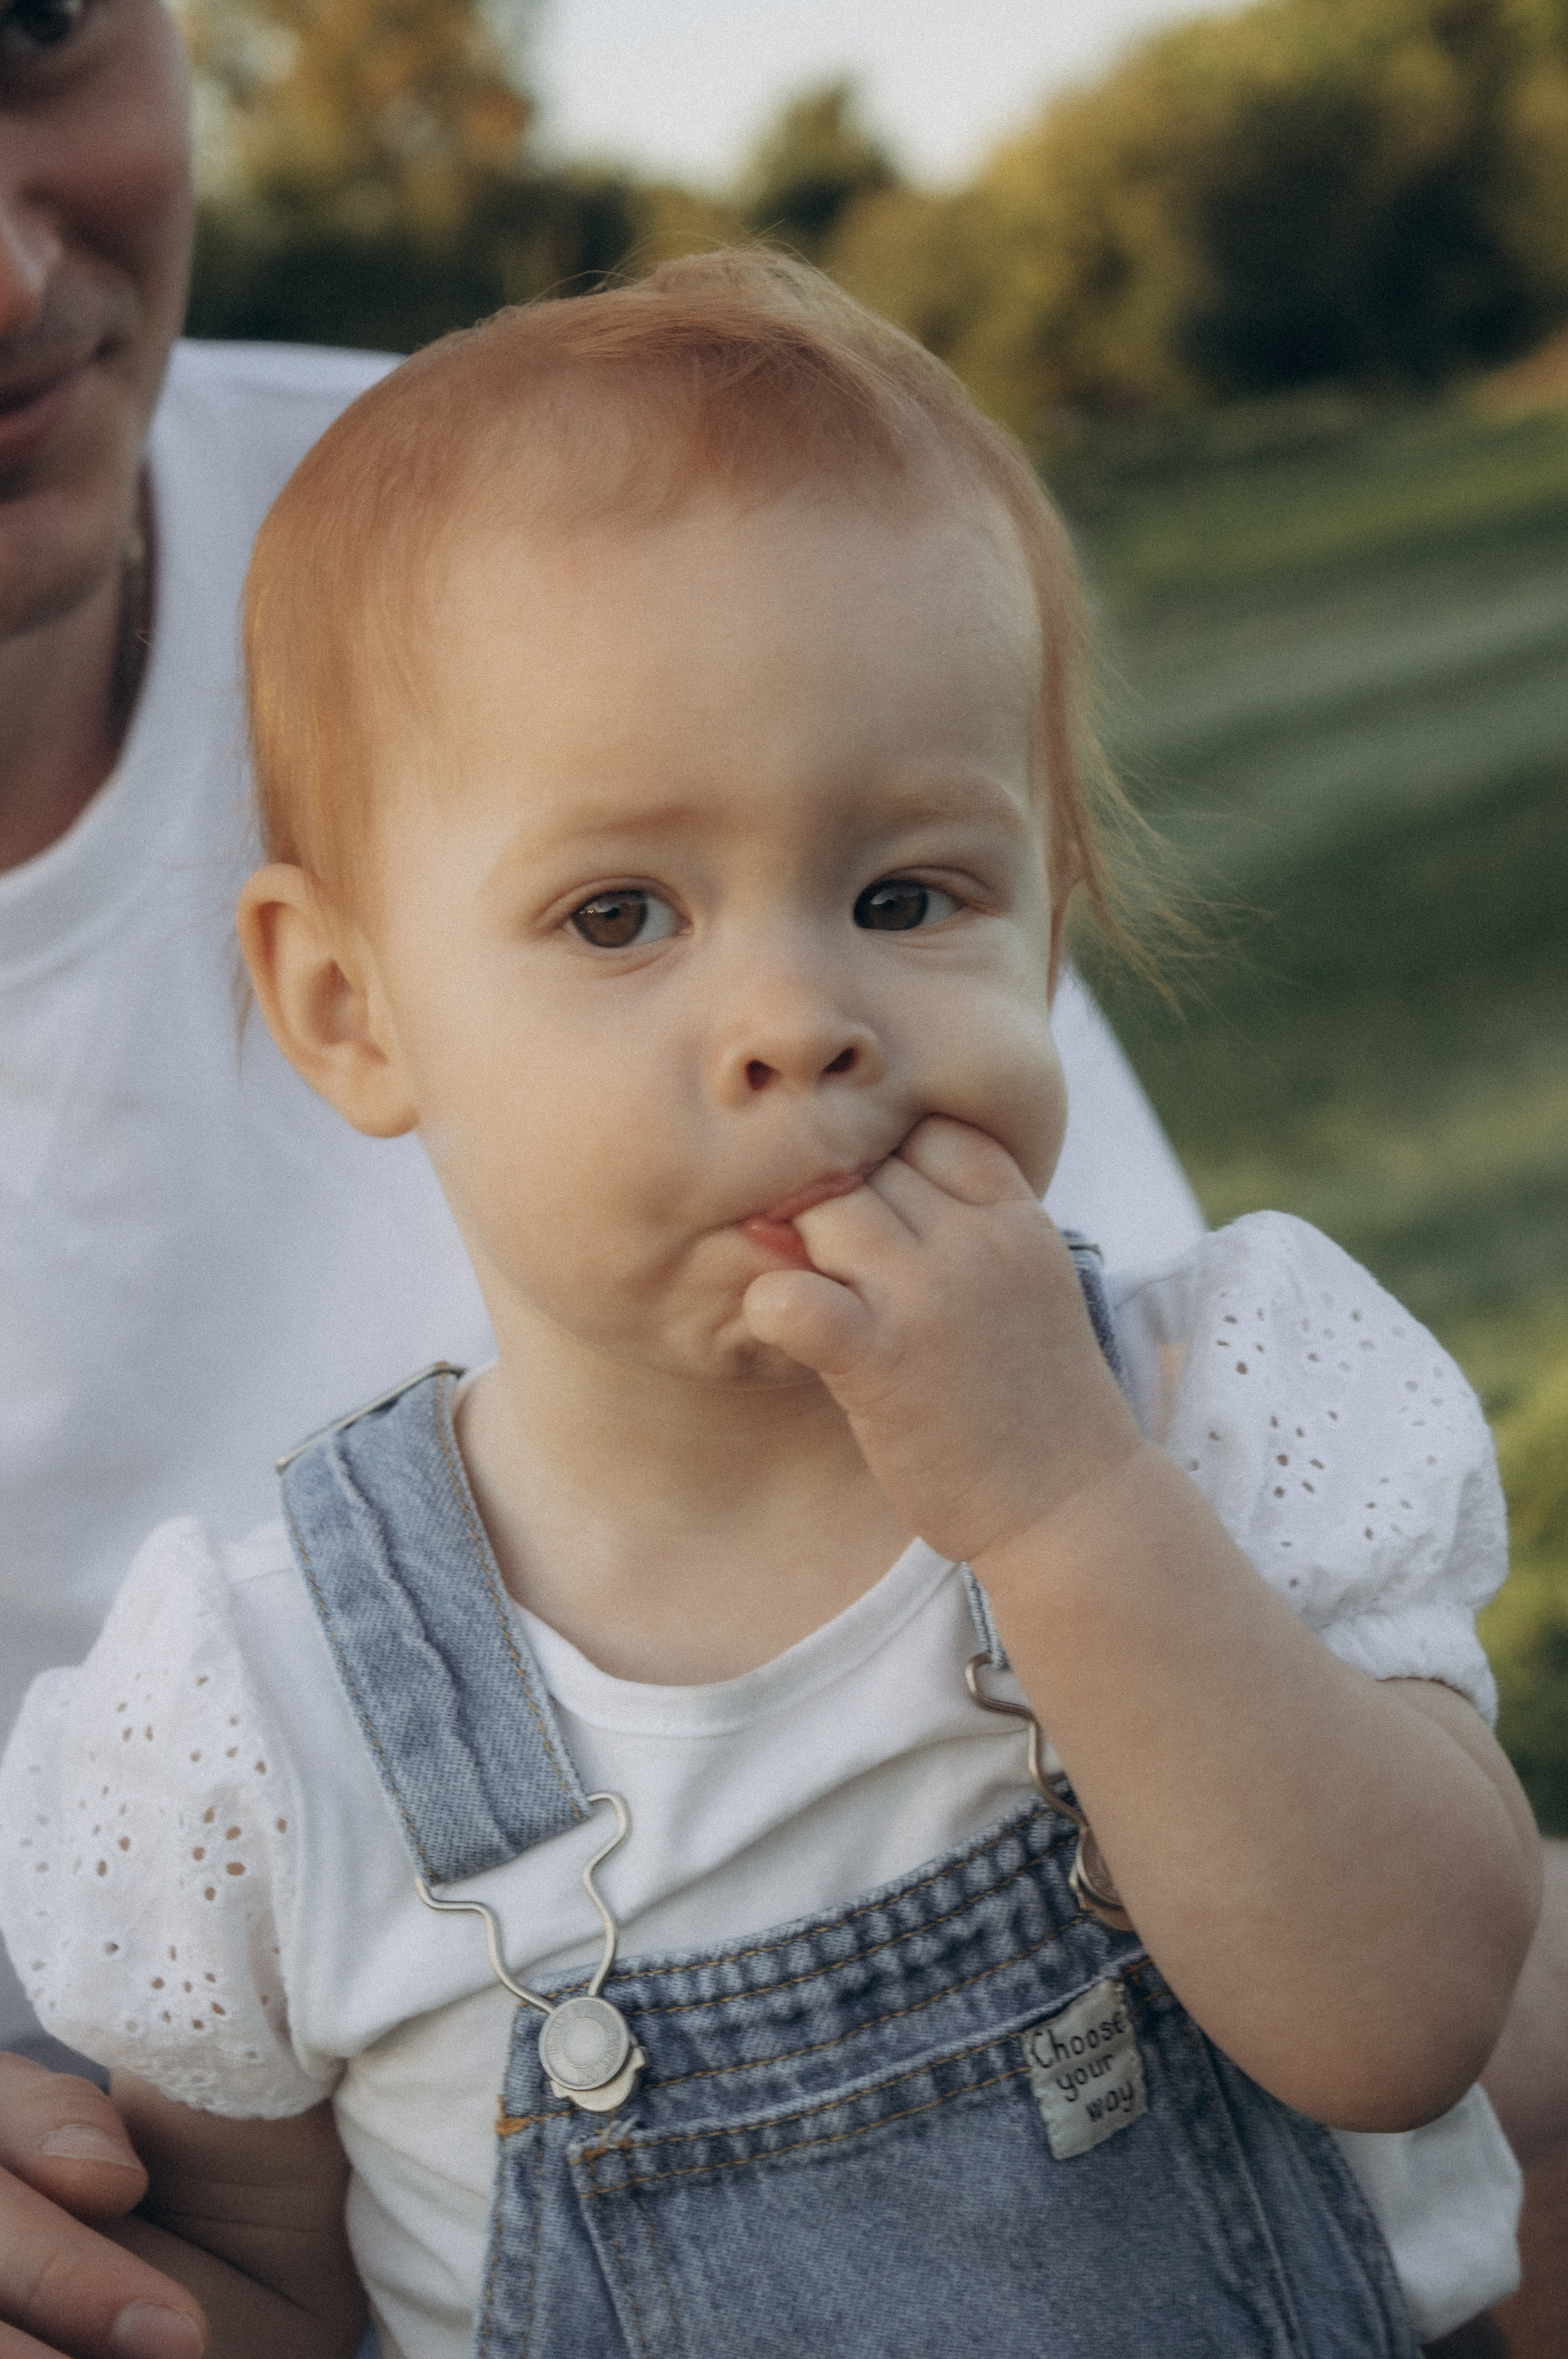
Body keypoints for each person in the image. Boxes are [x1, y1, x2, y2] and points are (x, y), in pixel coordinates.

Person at [0, 255, 1537, 2359]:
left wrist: (1068, 1506)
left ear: (1049, 909)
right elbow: (255, 2296)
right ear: (349, 1009)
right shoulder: (266, 1720)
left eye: (907, 895)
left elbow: (1409, 2016)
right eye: (619, 913)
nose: (801, 1021)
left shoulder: (1213, 1400)